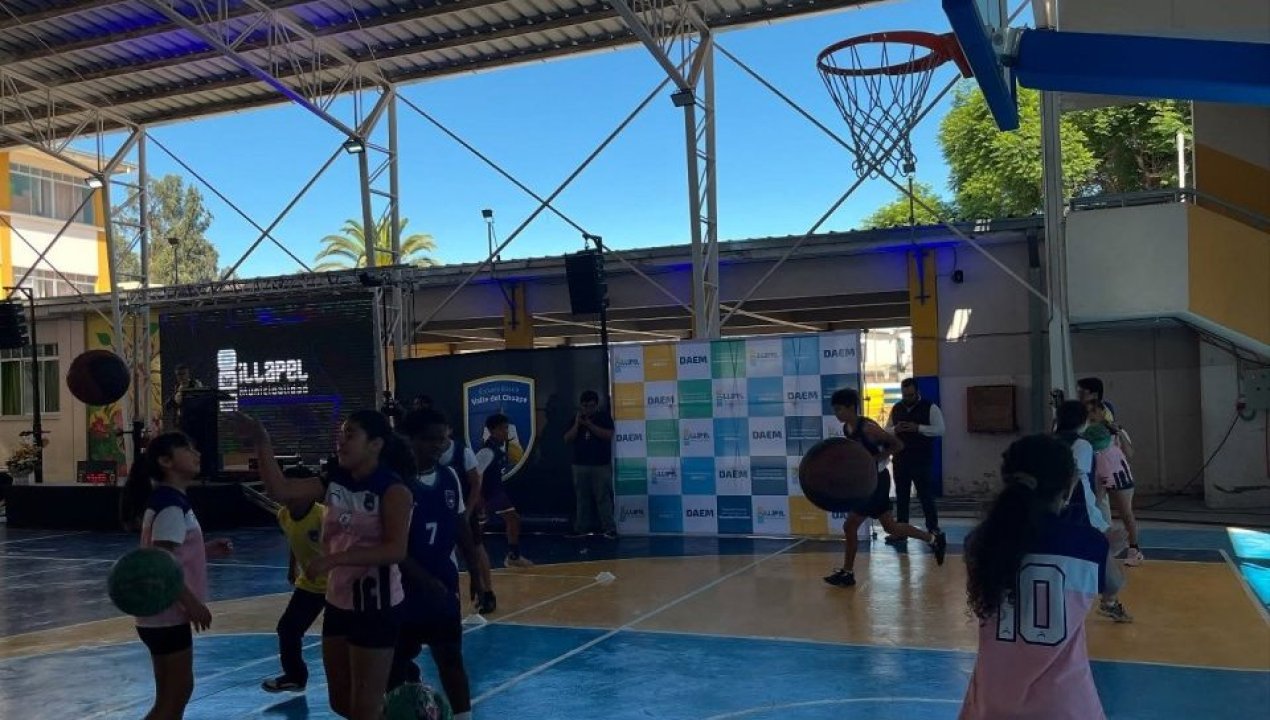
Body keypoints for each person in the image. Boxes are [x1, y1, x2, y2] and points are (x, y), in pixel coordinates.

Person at [229, 410, 413, 720]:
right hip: (338, 602)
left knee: (365, 707)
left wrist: (336, 559)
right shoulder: (335, 480)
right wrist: (262, 441)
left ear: (376, 444)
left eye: (350, 435)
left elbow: (395, 550)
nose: (341, 441)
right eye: (341, 434)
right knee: (340, 703)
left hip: (376, 605)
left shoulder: (393, 490)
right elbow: (281, 490)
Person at [960, 434, 1124, 720]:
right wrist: (1106, 550)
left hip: (992, 702)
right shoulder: (1087, 544)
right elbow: (1113, 584)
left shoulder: (981, 542)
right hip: (1065, 706)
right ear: (1068, 486)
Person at [119, 432, 233, 720]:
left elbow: (174, 553)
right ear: (166, 461)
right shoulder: (170, 505)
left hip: (160, 616)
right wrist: (192, 603)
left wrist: (206, 550)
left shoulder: (169, 501)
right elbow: (161, 563)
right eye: (187, 449)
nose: (197, 454)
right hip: (167, 616)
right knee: (175, 695)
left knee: (172, 695)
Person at [391, 409, 475, 719]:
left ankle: (464, 716)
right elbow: (392, 545)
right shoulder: (396, 483)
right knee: (394, 666)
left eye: (443, 439)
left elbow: (461, 528)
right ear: (410, 440)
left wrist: (477, 573)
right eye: (430, 440)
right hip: (402, 592)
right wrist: (424, 580)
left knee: (451, 659)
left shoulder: (450, 477)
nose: (438, 446)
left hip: (443, 588)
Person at [823, 388, 947, 588]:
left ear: (851, 407)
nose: (836, 414)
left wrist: (874, 459)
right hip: (869, 480)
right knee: (891, 527)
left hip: (877, 482)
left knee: (850, 526)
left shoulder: (868, 428)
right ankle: (933, 539)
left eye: (839, 409)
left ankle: (848, 572)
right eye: (835, 409)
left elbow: (898, 445)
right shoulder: (847, 428)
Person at [1053, 401, 1132, 623]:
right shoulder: (1082, 445)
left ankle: (1104, 599)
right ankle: (1108, 601)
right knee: (1110, 548)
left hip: (1057, 508)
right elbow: (1075, 475)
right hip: (1079, 510)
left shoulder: (1048, 441)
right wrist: (1067, 502)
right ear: (1082, 421)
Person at [261, 466, 328, 693]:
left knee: (350, 637)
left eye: (290, 487)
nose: (285, 493)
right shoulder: (283, 515)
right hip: (310, 585)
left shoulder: (323, 516)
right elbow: (293, 539)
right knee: (288, 629)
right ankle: (295, 677)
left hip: (337, 587)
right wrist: (293, 567)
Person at [438, 417, 494, 614]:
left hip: (462, 510)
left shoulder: (463, 452)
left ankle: (488, 592)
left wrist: (468, 511)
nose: (438, 436)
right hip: (439, 511)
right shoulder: (427, 453)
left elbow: (475, 484)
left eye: (441, 430)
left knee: (476, 548)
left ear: (449, 430)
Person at [885, 378, 945, 540]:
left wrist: (918, 428)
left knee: (925, 496)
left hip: (921, 459)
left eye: (910, 395)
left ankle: (933, 528)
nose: (907, 398)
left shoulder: (930, 408)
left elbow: (940, 429)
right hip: (900, 459)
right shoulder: (897, 408)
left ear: (918, 392)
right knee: (901, 497)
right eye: (904, 395)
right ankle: (901, 531)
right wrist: (896, 429)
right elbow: (886, 430)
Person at [1086, 402, 1144, 567]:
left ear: (1103, 413)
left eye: (1093, 411)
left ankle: (1134, 550)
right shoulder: (1088, 430)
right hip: (1099, 474)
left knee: (1126, 513)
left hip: (1118, 475)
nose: (1090, 415)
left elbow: (1130, 453)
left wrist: (1118, 433)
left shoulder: (1115, 430)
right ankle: (1098, 545)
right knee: (1093, 508)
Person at [475, 413, 533, 569]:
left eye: (507, 428)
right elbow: (475, 476)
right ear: (492, 431)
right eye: (503, 429)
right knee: (476, 530)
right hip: (484, 495)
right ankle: (468, 557)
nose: (506, 432)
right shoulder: (486, 452)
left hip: (496, 493)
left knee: (513, 519)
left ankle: (513, 556)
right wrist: (478, 499)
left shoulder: (499, 449)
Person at [563, 390, 616, 539]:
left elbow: (608, 435)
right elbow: (567, 439)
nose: (588, 409)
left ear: (596, 405)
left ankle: (609, 528)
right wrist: (577, 424)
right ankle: (581, 528)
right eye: (585, 406)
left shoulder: (603, 417)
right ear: (581, 406)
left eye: (591, 406)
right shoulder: (575, 418)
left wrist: (589, 425)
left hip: (600, 465)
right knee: (582, 498)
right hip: (580, 465)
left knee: (603, 497)